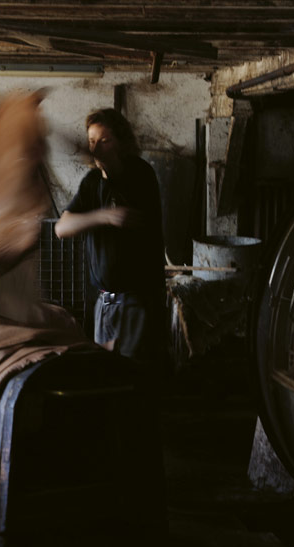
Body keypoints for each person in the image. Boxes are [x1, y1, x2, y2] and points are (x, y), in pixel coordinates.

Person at [55, 108, 166, 363]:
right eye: (92, 142)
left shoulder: (139, 174)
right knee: (105, 376)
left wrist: (101, 160)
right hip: (104, 304)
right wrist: (103, 216)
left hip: (137, 303)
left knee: (133, 374)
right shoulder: (92, 183)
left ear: (122, 143)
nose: (97, 148)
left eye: (105, 141)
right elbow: (61, 228)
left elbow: (117, 177)